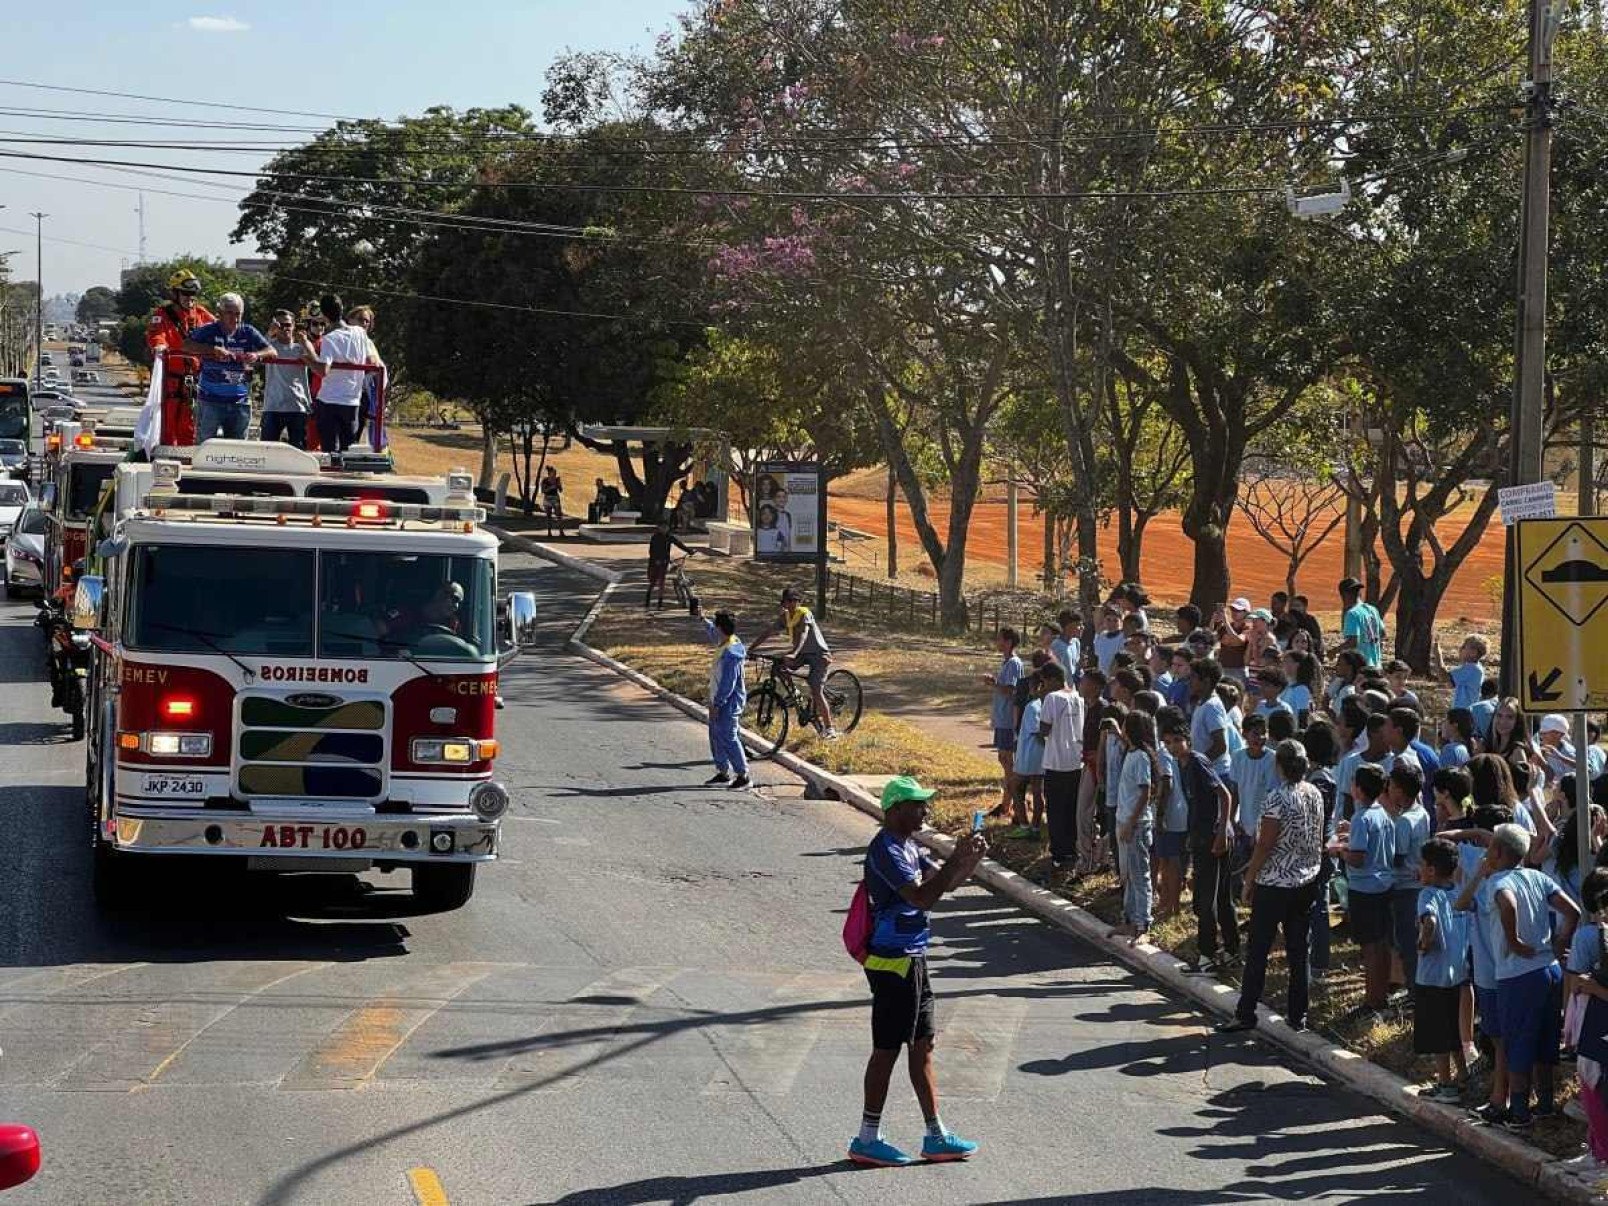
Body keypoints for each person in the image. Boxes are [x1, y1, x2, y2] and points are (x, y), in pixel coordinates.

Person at [852, 776, 985, 1167]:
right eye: (917, 804)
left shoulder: (909, 846)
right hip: (892, 964)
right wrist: (954, 861)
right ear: (894, 810)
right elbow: (925, 897)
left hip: (914, 959)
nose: (925, 810)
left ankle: (936, 1135)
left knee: (923, 1046)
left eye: (924, 803)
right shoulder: (887, 850)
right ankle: (866, 1138)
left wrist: (967, 859)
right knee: (887, 1050)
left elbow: (945, 885)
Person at [1462, 824, 1581, 1132]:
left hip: (1518, 974)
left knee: (1517, 1043)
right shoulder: (1538, 876)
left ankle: (1518, 1113)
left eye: (1490, 849)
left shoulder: (1498, 881)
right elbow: (1572, 910)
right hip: (1550, 969)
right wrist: (1561, 940)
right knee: (1544, 1040)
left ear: (1499, 852)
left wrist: (1513, 941)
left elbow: (1507, 901)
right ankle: (1544, 1105)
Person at [1218, 738, 1327, 1033]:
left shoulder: (1276, 798)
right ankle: (1297, 1015)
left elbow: (1265, 843)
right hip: (1305, 880)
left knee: (1258, 950)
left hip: (1275, 882)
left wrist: (1249, 879)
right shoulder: (1314, 793)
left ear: (1279, 765)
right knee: (1297, 950)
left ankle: (1246, 1012)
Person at [1162, 718, 1236, 971]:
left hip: (1213, 837)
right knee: (1218, 897)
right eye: (1168, 742)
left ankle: (1208, 956)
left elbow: (1224, 795)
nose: (1173, 747)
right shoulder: (1180, 764)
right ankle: (1231, 949)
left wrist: (1222, 832)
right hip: (1200, 837)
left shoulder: (1196, 761)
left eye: (1177, 741)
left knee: (1206, 900)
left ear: (1188, 741)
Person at [1416, 837, 1473, 1102]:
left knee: (1439, 1036)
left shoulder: (1428, 894)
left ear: (1430, 869)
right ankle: (1463, 1077)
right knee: (1453, 1031)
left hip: (1432, 977)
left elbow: (1429, 921)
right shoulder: (1459, 893)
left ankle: (1446, 1084)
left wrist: (1424, 944)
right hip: (1457, 973)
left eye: (1421, 864)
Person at [1342, 763, 1397, 1016]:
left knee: (1369, 947)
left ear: (1360, 790)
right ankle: (1380, 995)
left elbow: (1357, 858)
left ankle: (1372, 1001)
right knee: (1382, 943)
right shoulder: (1383, 814)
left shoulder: (1361, 817)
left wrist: (1339, 851)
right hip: (1384, 885)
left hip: (1364, 889)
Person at [182, 292, 271, 441]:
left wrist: (257, 355)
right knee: (204, 446)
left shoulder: (248, 331)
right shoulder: (208, 330)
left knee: (237, 450)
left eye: (238, 314)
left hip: (239, 402)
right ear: (220, 313)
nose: (234, 318)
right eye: (229, 313)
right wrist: (212, 350)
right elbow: (186, 345)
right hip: (210, 401)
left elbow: (271, 351)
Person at [751, 586, 837, 739]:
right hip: (801, 653)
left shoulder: (805, 614)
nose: (790, 604)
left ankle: (829, 729)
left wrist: (794, 653)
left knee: (815, 689)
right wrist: (750, 649)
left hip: (818, 655)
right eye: (787, 601)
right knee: (779, 667)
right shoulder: (785, 617)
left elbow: (804, 634)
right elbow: (768, 632)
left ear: (799, 602)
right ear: (783, 603)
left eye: (793, 601)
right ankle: (795, 695)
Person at [1564, 869, 1608, 1166]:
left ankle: (1601, 1156)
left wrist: (1588, 985)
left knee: (1596, 1094)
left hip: (1595, 1027)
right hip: (1593, 1024)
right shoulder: (1598, 935)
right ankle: (1595, 1150)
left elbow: (1575, 983)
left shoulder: (1587, 936)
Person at [146, 268, 215, 447]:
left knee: (190, 420)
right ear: (175, 294)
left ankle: (188, 455)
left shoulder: (201, 313)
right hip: (171, 378)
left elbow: (219, 330)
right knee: (168, 420)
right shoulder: (162, 314)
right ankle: (166, 452)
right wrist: (160, 346)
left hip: (195, 377)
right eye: (185, 293)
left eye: (193, 294)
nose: (190, 298)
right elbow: (156, 334)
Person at [1385, 763, 1432, 1002]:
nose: (1389, 789)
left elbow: (1397, 857)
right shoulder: (1422, 812)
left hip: (1405, 887)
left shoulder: (1404, 822)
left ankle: (1415, 992)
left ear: (1401, 790)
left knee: (1406, 942)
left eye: (1392, 786)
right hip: (1417, 885)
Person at [1113, 711, 1160, 945]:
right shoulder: (1130, 752)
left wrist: (1131, 822)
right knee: (1129, 874)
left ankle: (1143, 924)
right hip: (1125, 821)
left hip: (1137, 824)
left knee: (1140, 875)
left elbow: (1145, 791)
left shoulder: (1141, 756)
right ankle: (1129, 919)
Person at [311, 294, 380, 453]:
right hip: (352, 402)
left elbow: (323, 370)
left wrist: (307, 358)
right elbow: (373, 362)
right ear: (342, 309)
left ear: (324, 315)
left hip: (328, 401)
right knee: (348, 452)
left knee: (330, 451)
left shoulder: (329, 339)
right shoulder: (360, 333)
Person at [1036, 662, 1083, 868]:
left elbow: (1044, 730)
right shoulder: (1078, 697)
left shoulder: (1052, 698)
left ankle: (1058, 853)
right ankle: (1072, 848)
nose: (1043, 686)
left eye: (1044, 682)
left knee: (1055, 809)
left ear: (1053, 679)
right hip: (1075, 761)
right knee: (1071, 808)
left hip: (1056, 761)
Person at [697, 607, 749, 789]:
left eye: (715, 626)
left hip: (728, 702)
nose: (714, 630)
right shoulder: (726, 642)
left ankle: (743, 775)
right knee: (715, 735)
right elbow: (713, 633)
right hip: (717, 700)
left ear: (721, 628)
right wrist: (702, 619)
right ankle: (722, 772)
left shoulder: (732, 653)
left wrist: (718, 703)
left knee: (728, 736)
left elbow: (729, 682)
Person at [980, 628, 1024, 818]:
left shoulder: (1014, 663)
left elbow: (1011, 689)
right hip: (1001, 718)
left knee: (1008, 762)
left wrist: (994, 683)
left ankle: (1012, 804)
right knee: (1003, 759)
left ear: (1008, 642)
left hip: (1007, 719)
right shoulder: (1006, 662)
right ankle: (1007, 803)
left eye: (999, 639)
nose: (996, 642)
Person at [260, 309, 317, 448]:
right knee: (266, 449)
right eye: (280, 325)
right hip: (273, 406)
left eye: (288, 325)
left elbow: (316, 361)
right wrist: (269, 333)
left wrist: (305, 341)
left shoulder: (300, 348)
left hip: (298, 406)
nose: (284, 328)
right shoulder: (270, 346)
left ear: (293, 326)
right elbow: (256, 351)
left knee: (298, 450)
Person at [1010, 669, 1047, 840]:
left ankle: (1025, 825)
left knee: (1015, 787)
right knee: (1037, 791)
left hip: (1029, 755)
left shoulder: (1032, 707)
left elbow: (1037, 732)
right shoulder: (1047, 704)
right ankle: (1036, 828)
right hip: (1041, 756)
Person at [644, 519, 694, 611]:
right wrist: (656, 560)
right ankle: (647, 600)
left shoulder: (669, 537)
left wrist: (689, 551)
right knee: (653, 582)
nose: (664, 529)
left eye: (666, 527)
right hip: (654, 563)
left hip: (664, 563)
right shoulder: (655, 537)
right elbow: (651, 551)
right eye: (662, 527)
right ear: (659, 528)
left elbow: (679, 544)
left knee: (661, 583)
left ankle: (660, 603)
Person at [1337, 576, 1386, 669]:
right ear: (1359, 593)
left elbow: (1353, 642)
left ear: (1343, 595)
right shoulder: (1372, 609)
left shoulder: (1352, 614)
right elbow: (1382, 634)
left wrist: (1333, 651)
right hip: (1377, 665)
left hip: (1361, 668)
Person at [1436, 633, 1489, 712]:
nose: (1460, 649)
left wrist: (1438, 653)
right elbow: (1451, 683)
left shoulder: (1471, 668)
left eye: (1464, 647)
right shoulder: (1475, 668)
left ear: (1473, 652)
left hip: (1463, 712)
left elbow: (1443, 676)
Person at [1214, 599, 1251, 683]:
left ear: (1246, 613)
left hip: (1237, 670)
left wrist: (1225, 621)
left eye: (1238, 610)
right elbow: (1210, 640)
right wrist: (1214, 621)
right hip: (1221, 668)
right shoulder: (1225, 627)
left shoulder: (1248, 628)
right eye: (1232, 609)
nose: (1234, 612)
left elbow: (1238, 641)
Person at [1091, 606, 1125, 674]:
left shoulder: (1123, 638)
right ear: (1104, 620)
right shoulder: (1101, 636)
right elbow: (1098, 657)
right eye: (1108, 620)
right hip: (1102, 677)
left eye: (1115, 621)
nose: (1111, 624)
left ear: (1121, 622)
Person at [1051, 609, 1081, 681]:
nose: (1081, 628)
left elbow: (1075, 668)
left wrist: (1080, 665)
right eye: (1078, 625)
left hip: (1073, 688)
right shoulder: (1056, 646)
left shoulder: (1076, 642)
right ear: (1068, 626)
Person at [540, 466, 565, 537]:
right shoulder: (545, 480)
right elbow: (543, 491)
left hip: (555, 498)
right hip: (547, 499)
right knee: (549, 516)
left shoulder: (557, 480)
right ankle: (549, 532)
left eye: (555, 473)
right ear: (549, 473)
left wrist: (559, 485)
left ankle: (561, 532)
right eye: (553, 473)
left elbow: (560, 490)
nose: (554, 474)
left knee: (559, 515)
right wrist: (551, 487)